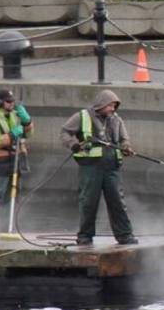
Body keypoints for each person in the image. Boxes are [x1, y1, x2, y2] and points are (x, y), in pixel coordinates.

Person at [59, 89, 139, 247]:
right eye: (110, 105)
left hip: (111, 168)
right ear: (101, 104)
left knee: (117, 202)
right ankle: (85, 237)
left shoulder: (116, 119)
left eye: (115, 106)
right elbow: (65, 132)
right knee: (88, 202)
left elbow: (124, 139)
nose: (113, 109)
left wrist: (126, 147)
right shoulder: (82, 116)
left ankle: (125, 235)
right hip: (90, 168)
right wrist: (73, 144)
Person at [0, 88, 32, 240]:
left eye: (13, 101)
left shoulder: (16, 115)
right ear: (0, 102)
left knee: (14, 196)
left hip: (16, 160)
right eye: (9, 101)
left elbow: (28, 134)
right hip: (0, 161)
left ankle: (8, 229)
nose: (12, 104)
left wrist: (27, 121)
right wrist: (10, 136)